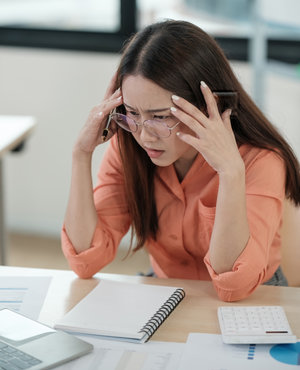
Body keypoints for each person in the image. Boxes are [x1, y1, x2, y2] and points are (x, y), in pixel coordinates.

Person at [62, 20, 300, 302]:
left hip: (255, 298)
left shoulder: (260, 161)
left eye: (160, 117)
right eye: (132, 113)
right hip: (170, 292)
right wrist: (81, 154)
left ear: (206, 104)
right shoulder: (128, 149)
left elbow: (233, 286)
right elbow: (85, 260)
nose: (144, 135)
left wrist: (230, 173)